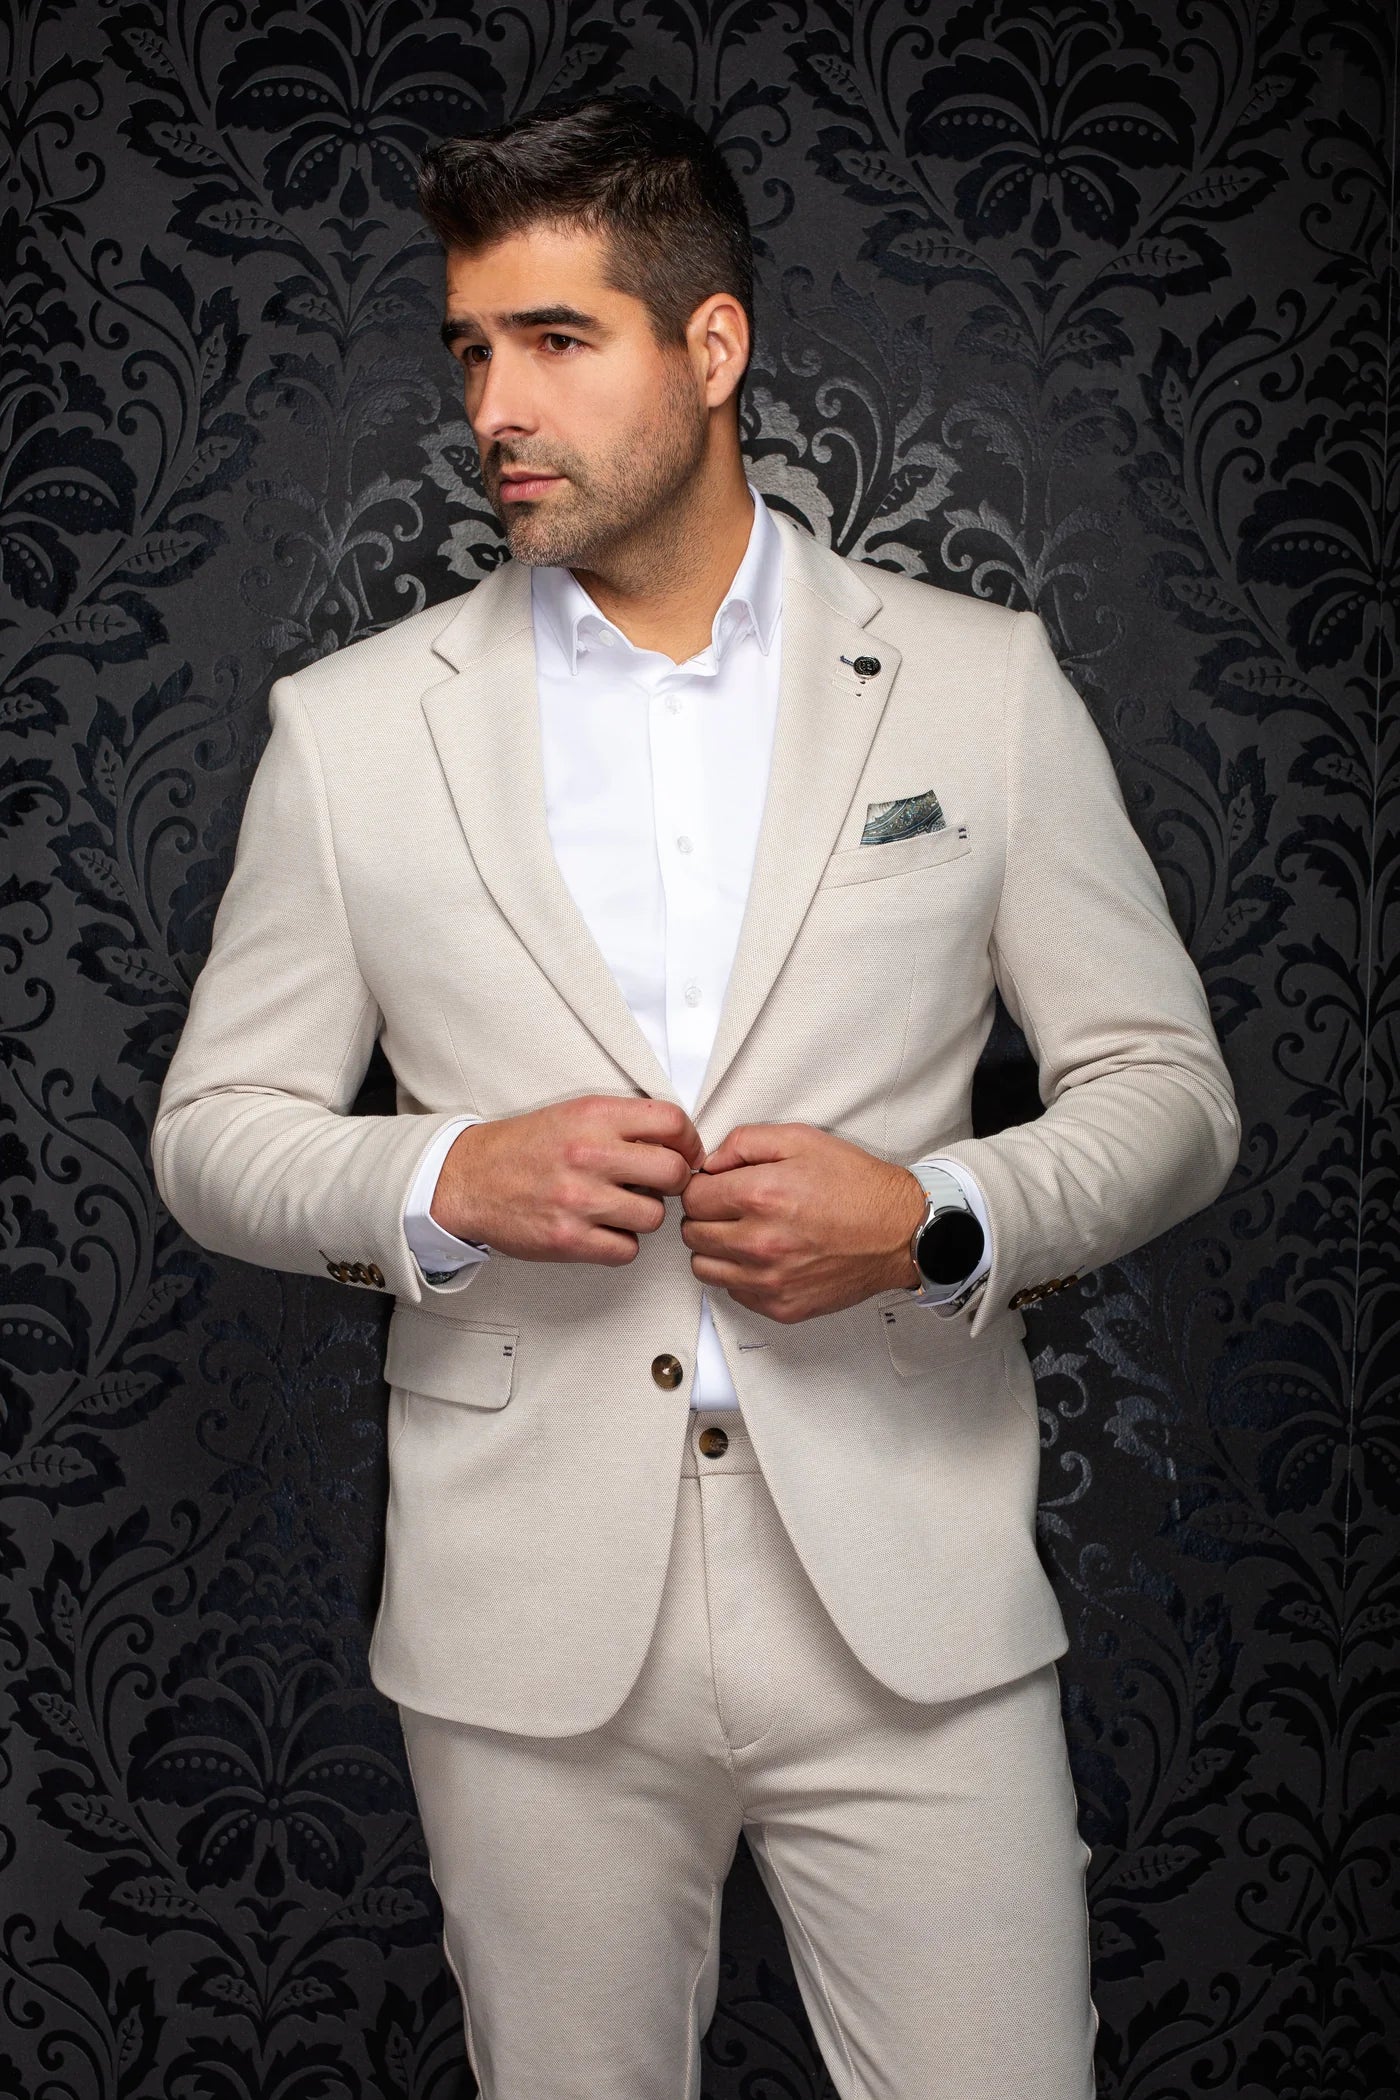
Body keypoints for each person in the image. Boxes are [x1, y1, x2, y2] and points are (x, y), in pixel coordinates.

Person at [151, 88, 1240, 2100]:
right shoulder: (353, 731)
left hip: (909, 1596)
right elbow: (213, 1134)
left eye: (556, 339)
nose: (495, 405)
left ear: (711, 346)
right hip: (524, 1623)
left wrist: (932, 1217)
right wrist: (439, 1177)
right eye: (471, 348)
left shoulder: (977, 683)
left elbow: (1167, 1088)